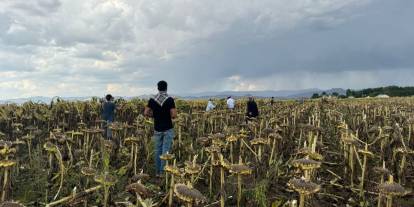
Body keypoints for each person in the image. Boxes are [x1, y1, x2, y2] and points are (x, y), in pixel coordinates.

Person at [144, 80, 177, 176]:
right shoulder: (170, 99)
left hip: (157, 128)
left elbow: (146, 112)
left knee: (157, 149)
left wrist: (153, 115)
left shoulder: (152, 100)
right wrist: (168, 116)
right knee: (165, 150)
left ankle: (157, 172)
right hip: (168, 128)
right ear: (166, 88)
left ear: (158, 88)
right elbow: (174, 115)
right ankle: (163, 172)